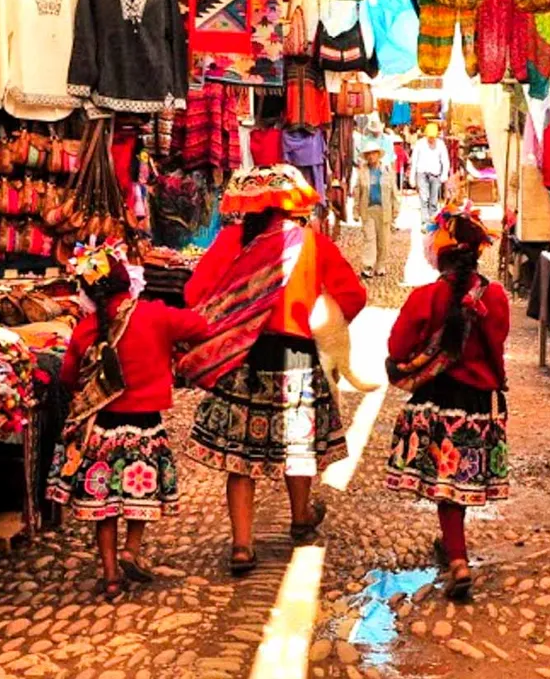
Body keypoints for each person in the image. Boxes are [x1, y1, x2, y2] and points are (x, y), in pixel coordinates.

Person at [179, 165, 368, 576]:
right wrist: (324, 323)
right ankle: (300, 520)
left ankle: (242, 545)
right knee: (298, 446)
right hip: (296, 355)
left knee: (239, 458)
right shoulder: (312, 243)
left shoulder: (231, 241)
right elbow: (354, 295)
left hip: (243, 358)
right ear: (291, 203)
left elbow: (194, 293)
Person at [48, 244, 209, 599]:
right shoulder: (155, 315)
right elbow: (200, 327)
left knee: (104, 508)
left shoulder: (86, 329)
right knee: (141, 493)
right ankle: (130, 550)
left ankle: (110, 575)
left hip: (101, 430)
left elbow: (68, 377)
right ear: (129, 282)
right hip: (145, 427)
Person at [383, 203, 509, 601]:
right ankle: (454, 549)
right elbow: (498, 345)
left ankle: (457, 558)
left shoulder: (426, 297)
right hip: (478, 402)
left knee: (446, 486)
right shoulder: (495, 297)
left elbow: (397, 348)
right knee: (460, 484)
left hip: (438, 401)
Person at [353, 143, 395, 278]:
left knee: (383, 240)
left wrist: (396, 210)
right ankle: (368, 266)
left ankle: (380, 265)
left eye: (373, 153)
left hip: (384, 209)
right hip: (368, 209)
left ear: (378, 155)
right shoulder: (362, 172)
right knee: (369, 238)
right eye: (368, 154)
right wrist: (355, 210)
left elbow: (394, 192)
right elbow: (357, 192)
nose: (371, 156)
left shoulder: (387, 171)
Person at [412, 123, 451, 219]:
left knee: (434, 200)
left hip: (435, 174)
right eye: (429, 137)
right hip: (422, 173)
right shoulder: (419, 144)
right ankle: (425, 220)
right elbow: (414, 161)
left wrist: (444, 174)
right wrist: (412, 177)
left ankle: (433, 219)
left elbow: (445, 160)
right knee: (424, 198)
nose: (431, 139)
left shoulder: (440, 144)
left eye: (433, 137)